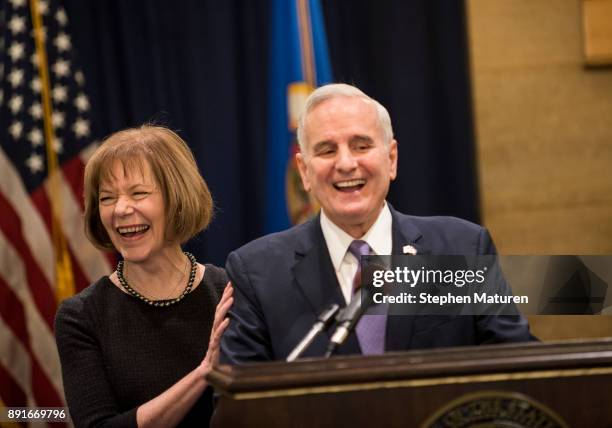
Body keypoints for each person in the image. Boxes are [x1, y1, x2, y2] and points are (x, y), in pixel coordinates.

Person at [221, 83, 533, 364]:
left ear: (391, 158)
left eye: (361, 146)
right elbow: (238, 404)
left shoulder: (463, 247)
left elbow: (519, 364)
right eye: (327, 150)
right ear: (304, 171)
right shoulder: (257, 271)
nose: (345, 164)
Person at [55, 125, 233, 427]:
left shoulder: (229, 293)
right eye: (107, 198)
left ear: (177, 198)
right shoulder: (81, 317)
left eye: (138, 193)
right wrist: (205, 372)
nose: (121, 210)